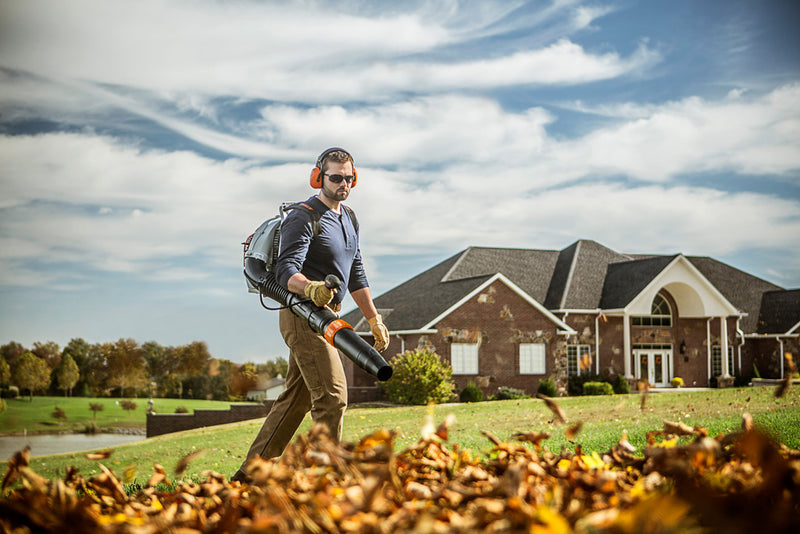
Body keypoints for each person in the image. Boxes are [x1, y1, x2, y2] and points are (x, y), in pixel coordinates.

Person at [232, 147, 389, 483]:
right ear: (319, 178)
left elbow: (356, 271)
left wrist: (373, 318)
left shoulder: (349, 217)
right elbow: (286, 271)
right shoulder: (303, 217)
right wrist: (311, 288)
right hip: (303, 314)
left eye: (349, 178)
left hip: (329, 316)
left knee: (296, 398)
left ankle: (249, 476)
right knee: (333, 397)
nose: (343, 184)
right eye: (336, 178)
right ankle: (323, 480)